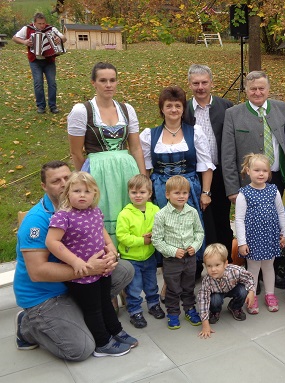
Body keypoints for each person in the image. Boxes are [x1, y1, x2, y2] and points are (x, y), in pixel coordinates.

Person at [14, 160, 134, 361]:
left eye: (66, 178)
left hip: (75, 282)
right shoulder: (37, 221)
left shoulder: (83, 207)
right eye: (55, 181)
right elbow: (37, 272)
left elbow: (99, 229)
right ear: (44, 187)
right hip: (45, 293)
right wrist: (88, 270)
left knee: (124, 269)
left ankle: (82, 314)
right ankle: (27, 325)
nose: (63, 183)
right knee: (80, 349)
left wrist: (111, 252)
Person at [45, 172, 138, 357]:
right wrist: (75, 261)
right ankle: (102, 343)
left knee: (105, 301)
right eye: (77, 190)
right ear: (67, 194)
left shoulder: (95, 211)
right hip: (82, 275)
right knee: (93, 308)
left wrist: (112, 249)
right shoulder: (64, 216)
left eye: (87, 191)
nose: (82, 195)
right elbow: (52, 242)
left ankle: (115, 330)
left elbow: (102, 234)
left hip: (101, 270)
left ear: (95, 194)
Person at [68, 62, 147, 246]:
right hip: (97, 171)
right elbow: (76, 152)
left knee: (129, 215)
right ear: (93, 83)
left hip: (126, 171)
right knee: (102, 214)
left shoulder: (127, 109)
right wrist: (85, 181)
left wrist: (143, 178)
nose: (108, 84)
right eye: (103, 80)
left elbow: (135, 148)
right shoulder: (82, 111)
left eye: (112, 80)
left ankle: (132, 259)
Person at [140, 85, 215, 262]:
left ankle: (192, 266)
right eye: (169, 106)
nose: (174, 109)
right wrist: (147, 193)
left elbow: (206, 165)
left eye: (178, 106)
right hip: (160, 190)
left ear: (183, 108)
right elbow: (146, 169)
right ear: (162, 109)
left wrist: (205, 192)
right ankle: (168, 266)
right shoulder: (150, 135)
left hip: (189, 189)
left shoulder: (195, 132)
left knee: (189, 227)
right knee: (165, 228)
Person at [183, 64, 235, 259]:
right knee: (198, 220)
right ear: (189, 85)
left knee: (222, 219)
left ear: (211, 83)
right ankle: (198, 265)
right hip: (194, 173)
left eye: (204, 82)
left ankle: (226, 262)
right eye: (196, 83)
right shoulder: (185, 109)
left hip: (221, 172)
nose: (201, 87)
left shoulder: (226, 107)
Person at [222, 71, 285, 199]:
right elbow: (228, 155)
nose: (257, 93)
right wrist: (232, 189)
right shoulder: (233, 114)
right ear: (246, 90)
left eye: (261, 88)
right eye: (253, 89)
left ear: (268, 89)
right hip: (248, 182)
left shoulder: (281, 108)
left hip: (278, 178)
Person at [235, 154, 285, 314]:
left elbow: (280, 212)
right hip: (253, 238)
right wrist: (242, 242)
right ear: (248, 171)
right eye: (257, 170)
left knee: (268, 266)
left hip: (270, 236)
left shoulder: (273, 190)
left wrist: (284, 233)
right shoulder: (243, 194)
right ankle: (252, 296)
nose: (261, 174)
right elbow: (239, 219)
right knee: (253, 268)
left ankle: (270, 294)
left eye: (264, 170)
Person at [152, 175, 205, 329]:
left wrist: (194, 247)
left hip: (190, 258)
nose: (181, 196)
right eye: (177, 193)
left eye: (184, 193)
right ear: (167, 195)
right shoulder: (161, 215)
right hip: (172, 260)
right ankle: (173, 313)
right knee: (173, 288)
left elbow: (199, 233)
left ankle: (189, 309)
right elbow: (157, 239)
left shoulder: (192, 212)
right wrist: (173, 251)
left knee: (189, 286)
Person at [116, 174, 165, 329]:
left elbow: (161, 226)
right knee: (134, 286)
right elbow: (122, 236)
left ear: (149, 194)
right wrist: (141, 240)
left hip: (149, 255)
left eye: (142, 192)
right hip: (131, 258)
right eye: (134, 192)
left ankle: (153, 304)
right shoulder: (125, 213)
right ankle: (135, 310)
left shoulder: (155, 209)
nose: (138, 196)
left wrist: (153, 235)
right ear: (129, 193)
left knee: (151, 283)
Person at [197, 244, 256, 339]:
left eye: (217, 265)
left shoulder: (235, 271)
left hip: (233, 289)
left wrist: (252, 292)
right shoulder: (207, 281)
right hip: (217, 293)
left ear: (225, 263)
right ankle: (215, 311)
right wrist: (205, 324)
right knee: (215, 299)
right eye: (209, 266)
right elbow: (203, 300)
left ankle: (235, 307)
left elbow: (249, 278)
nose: (213, 269)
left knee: (243, 291)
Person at [12, 12, 66, 114]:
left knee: (52, 83)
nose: (42, 26)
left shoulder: (51, 29)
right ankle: (41, 106)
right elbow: (14, 38)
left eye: (43, 23)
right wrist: (24, 42)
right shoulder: (27, 29)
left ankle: (53, 106)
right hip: (35, 61)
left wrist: (60, 39)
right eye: (40, 23)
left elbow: (64, 38)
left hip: (49, 60)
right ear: (34, 23)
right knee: (38, 83)